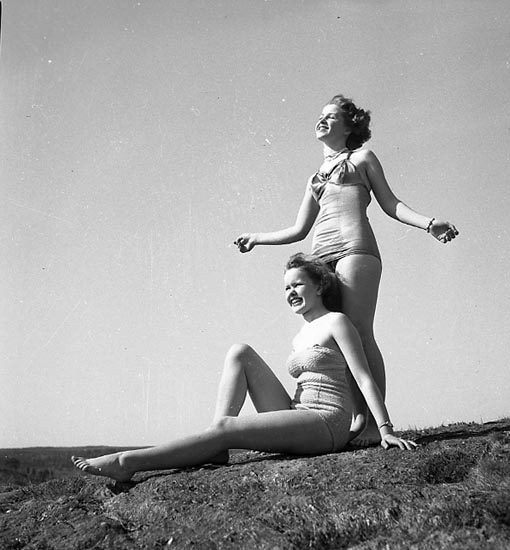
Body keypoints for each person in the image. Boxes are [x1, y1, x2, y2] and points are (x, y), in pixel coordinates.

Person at [71, 254, 416, 483]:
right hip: (299, 412)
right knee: (240, 352)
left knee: (226, 427)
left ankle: (128, 462)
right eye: (286, 288)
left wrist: (382, 428)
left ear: (320, 286)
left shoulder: (336, 322)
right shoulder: (301, 334)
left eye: (297, 285)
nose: (290, 292)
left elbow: (362, 377)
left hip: (326, 421)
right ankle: (218, 445)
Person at [234, 94, 458, 445]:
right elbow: (299, 230)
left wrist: (428, 223)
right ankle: (355, 417)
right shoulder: (314, 177)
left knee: (360, 333)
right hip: (319, 259)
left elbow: (390, 203)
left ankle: (374, 425)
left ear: (350, 126)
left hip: (355, 250)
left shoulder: (363, 158)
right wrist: (257, 238)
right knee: (336, 339)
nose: (322, 120)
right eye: (320, 115)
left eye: (332, 116)